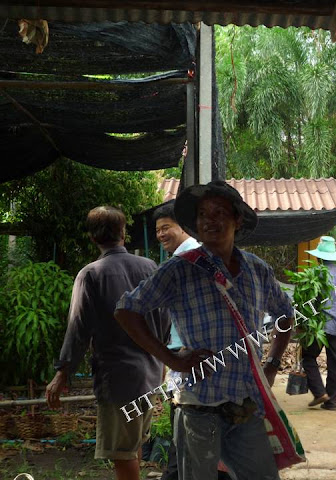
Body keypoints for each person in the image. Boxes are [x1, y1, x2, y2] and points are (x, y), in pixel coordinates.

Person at [114, 180, 294, 480]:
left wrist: (272, 364)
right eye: (202, 214)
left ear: (237, 219)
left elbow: (285, 315)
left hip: (246, 405)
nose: (210, 220)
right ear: (196, 224)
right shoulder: (180, 269)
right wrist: (171, 359)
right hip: (198, 406)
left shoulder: (257, 269)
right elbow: (126, 310)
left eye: (219, 212)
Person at [46, 206, 170, 480]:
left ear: (92, 237)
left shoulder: (91, 274)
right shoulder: (150, 267)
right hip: (150, 374)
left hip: (118, 379)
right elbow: (164, 316)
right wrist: (161, 361)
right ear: (123, 233)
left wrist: (62, 372)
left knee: (122, 451)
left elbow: (78, 328)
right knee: (133, 443)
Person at [152, 203, 199, 480]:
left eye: (166, 227)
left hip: (189, 359)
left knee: (184, 434)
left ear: (183, 227)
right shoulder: (186, 257)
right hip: (183, 358)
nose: (160, 234)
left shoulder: (187, 259)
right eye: (158, 229)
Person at [302, 236, 336, 411]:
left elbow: (306, 301)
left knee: (308, 358)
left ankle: (319, 392)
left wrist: (302, 322)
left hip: (317, 328)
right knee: (335, 365)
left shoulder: (314, 274)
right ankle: (331, 402)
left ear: (319, 257)